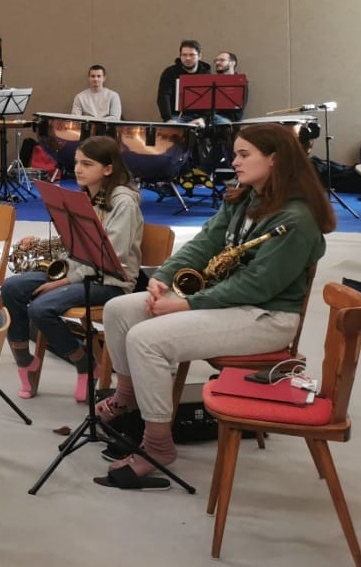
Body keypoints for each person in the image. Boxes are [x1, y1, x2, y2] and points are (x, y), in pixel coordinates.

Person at [95, 123, 332, 490]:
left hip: (266, 317)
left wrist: (187, 304)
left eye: (243, 155)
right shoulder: (247, 198)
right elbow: (205, 242)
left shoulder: (296, 219)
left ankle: (157, 445)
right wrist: (165, 276)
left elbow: (257, 286)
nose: (233, 161)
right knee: (119, 310)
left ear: (274, 160)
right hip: (229, 303)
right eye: (235, 153)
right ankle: (126, 401)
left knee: (146, 340)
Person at [0, 136, 142, 402]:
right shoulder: (88, 195)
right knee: (11, 287)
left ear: (108, 169)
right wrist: (49, 249)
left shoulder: (124, 203)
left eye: (87, 164)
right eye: (77, 162)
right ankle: (24, 360)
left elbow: (112, 259)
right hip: (79, 273)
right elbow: (78, 244)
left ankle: (84, 363)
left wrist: (65, 280)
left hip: (111, 283)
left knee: (41, 309)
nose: (78, 169)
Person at [156, 39, 211, 122]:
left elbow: (211, 101)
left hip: (201, 116)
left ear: (199, 56)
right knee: (175, 131)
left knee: (226, 125)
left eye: (191, 55)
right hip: (178, 115)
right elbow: (163, 96)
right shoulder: (170, 72)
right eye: (184, 55)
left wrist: (203, 119)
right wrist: (168, 119)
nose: (187, 58)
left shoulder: (206, 73)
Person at [213, 52, 246, 123]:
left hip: (229, 119)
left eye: (222, 60)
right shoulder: (212, 81)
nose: (218, 62)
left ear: (232, 63)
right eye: (216, 60)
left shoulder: (240, 81)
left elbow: (239, 107)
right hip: (211, 117)